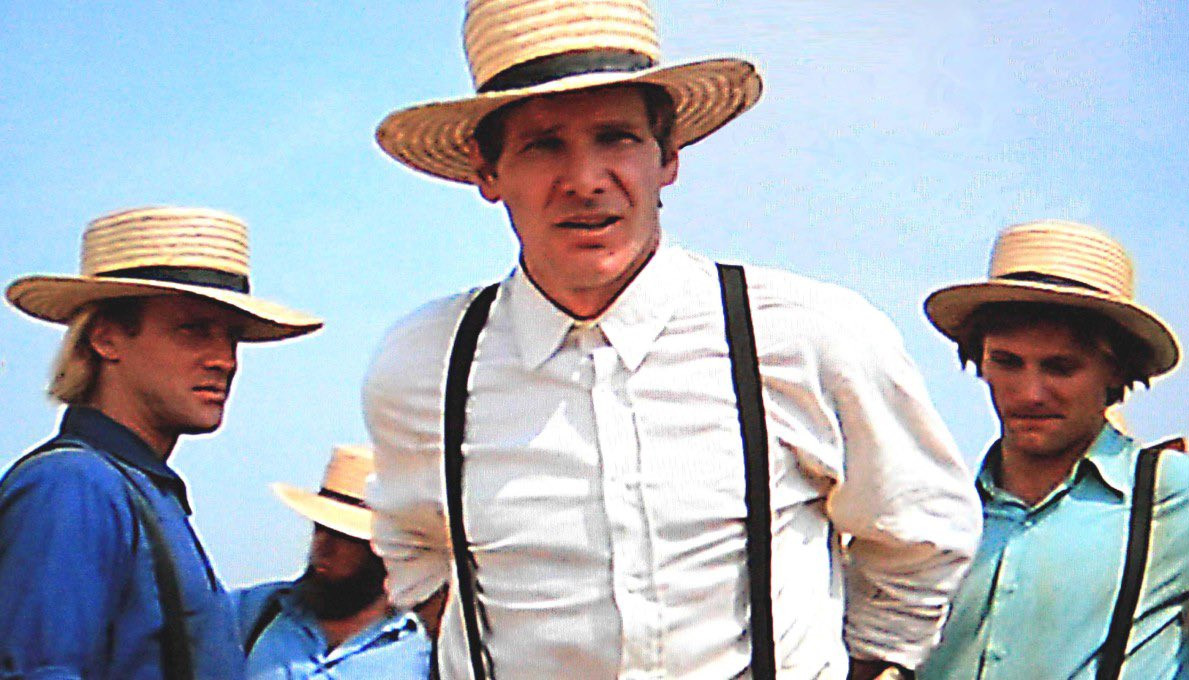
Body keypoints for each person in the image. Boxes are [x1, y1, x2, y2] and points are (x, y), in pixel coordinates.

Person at [364, 1, 980, 677]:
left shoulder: (808, 336)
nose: (586, 181)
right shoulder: (426, 365)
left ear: (669, 157)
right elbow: (415, 551)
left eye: (616, 138)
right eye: (543, 145)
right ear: (488, 173)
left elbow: (921, 537)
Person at [0, 207, 322, 679]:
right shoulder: (74, 486)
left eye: (232, 337)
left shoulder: (134, 490)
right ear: (106, 338)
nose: (224, 360)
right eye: (194, 330)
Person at [918, 219, 1189, 678]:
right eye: (1007, 362)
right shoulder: (941, 513)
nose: (1030, 393)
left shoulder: (1176, 494)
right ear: (981, 362)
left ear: (1115, 370)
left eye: (1061, 368)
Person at [235, 444, 431, 679]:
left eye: (343, 536)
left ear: (382, 548)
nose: (323, 546)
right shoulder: (253, 614)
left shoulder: (425, 653)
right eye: (319, 528)